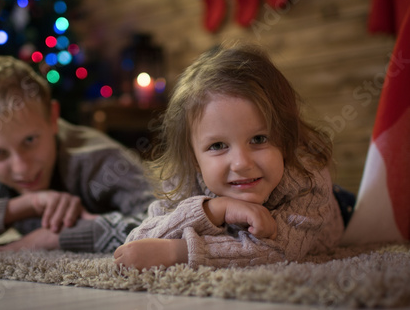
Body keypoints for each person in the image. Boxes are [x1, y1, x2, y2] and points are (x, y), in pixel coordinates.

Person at [114, 44, 345, 270]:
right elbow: (138, 241)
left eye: (258, 139)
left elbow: (278, 251)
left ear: (286, 139)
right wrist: (214, 209)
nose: (241, 163)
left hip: (339, 208)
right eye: (218, 145)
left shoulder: (309, 180)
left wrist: (177, 252)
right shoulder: (184, 179)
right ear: (193, 158)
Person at [0, 55, 154, 252]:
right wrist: (26, 205)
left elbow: (169, 223)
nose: (21, 167)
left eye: (29, 140)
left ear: (53, 118)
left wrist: (50, 238)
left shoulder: (99, 160)